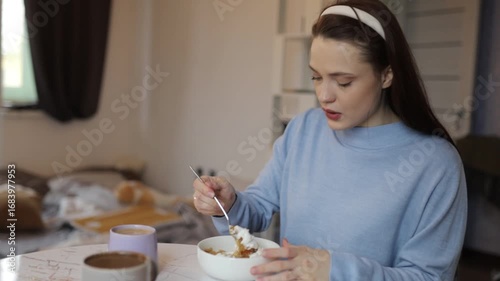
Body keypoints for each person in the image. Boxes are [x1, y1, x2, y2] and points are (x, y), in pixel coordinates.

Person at [193, 0, 467, 280]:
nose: (324, 95)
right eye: (316, 77)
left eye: (344, 81)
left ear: (386, 74)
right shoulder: (303, 130)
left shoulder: (436, 164)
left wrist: (335, 271)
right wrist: (229, 204)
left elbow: (429, 276)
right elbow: (259, 208)